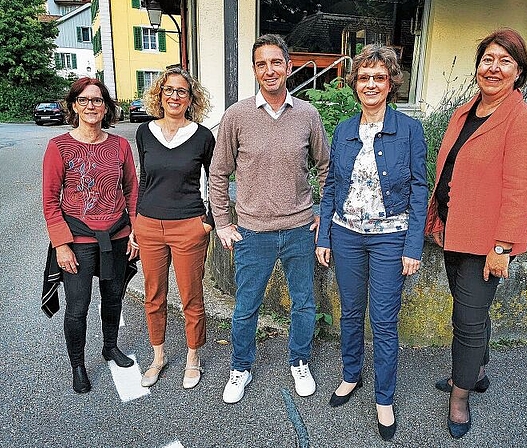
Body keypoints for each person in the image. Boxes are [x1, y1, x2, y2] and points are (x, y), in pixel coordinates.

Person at [424, 28, 527, 439]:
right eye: (488, 59)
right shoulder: (464, 112)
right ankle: (475, 370)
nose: (493, 68)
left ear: (519, 71)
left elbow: (522, 191)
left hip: (486, 241)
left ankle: (460, 398)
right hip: (454, 230)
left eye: (505, 61)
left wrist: (502, 247)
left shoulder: (524, 122)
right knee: (469, 312)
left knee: (468, 321)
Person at [209, 34, 330, 404]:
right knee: (246, 307)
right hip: (252, 232)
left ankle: (300, 362)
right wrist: (223, 222)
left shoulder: (307, 115)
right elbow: (218, 173)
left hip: (298, 229)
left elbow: (326, 167)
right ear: (254, 70)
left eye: (276, 62)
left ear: (289, 66)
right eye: (261, 64)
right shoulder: (237, 115)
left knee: (304, 303)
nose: (269, 70)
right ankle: (241, 368)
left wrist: (323, 213)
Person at [315, 44, 428, 441]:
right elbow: (331, 186)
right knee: (349, 312)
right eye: (364, 77)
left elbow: (419, 189)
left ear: (391, 83)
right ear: (354, 84)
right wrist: (325, 233)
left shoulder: (410, 130)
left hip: (389, 240)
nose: (371, 84)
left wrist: (414, 246)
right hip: (346, 235)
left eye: (379, 77)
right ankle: (350, 374)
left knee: (382, 319)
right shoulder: (344, 129)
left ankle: (384, 397)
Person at [42, 78, 139, 394]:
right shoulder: (59, 147)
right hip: (78, 241)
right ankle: (78, 366)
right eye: (83, 100)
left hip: (117, 236)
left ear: (106, 106)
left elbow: (131, 190)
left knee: (113, 298)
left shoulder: (120, 146)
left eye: (97, 100)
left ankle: (110, 347)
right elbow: (50, 199)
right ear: (74, 106)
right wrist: (61, 244)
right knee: (78, 307)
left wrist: (135, 232)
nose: (91, 106)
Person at [134, 67, 215, 390]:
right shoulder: (144, 132)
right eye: (169, 90)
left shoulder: (202, 136)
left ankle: (193, 357)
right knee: (154, 296)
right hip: (149, 225)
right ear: (159, 94)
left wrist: (207, 221)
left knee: (191, 297)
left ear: (191, 98)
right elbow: (143, 179)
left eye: (182, 91)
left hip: (188, 227)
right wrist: (136, 222)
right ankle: (159, 356)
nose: (174, 96)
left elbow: (216, 180)